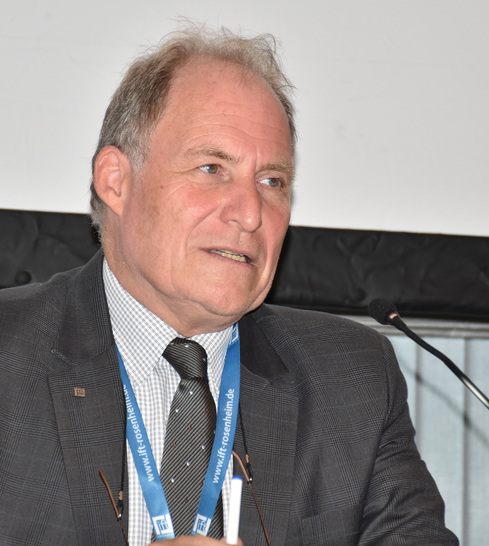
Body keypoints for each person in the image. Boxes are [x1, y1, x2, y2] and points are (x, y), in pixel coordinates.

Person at [0, 25, 458, 546]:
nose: (249, 213)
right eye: (212, 167)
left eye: (272, 182)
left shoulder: (352, 384)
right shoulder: (9, 356)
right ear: (116, 181)